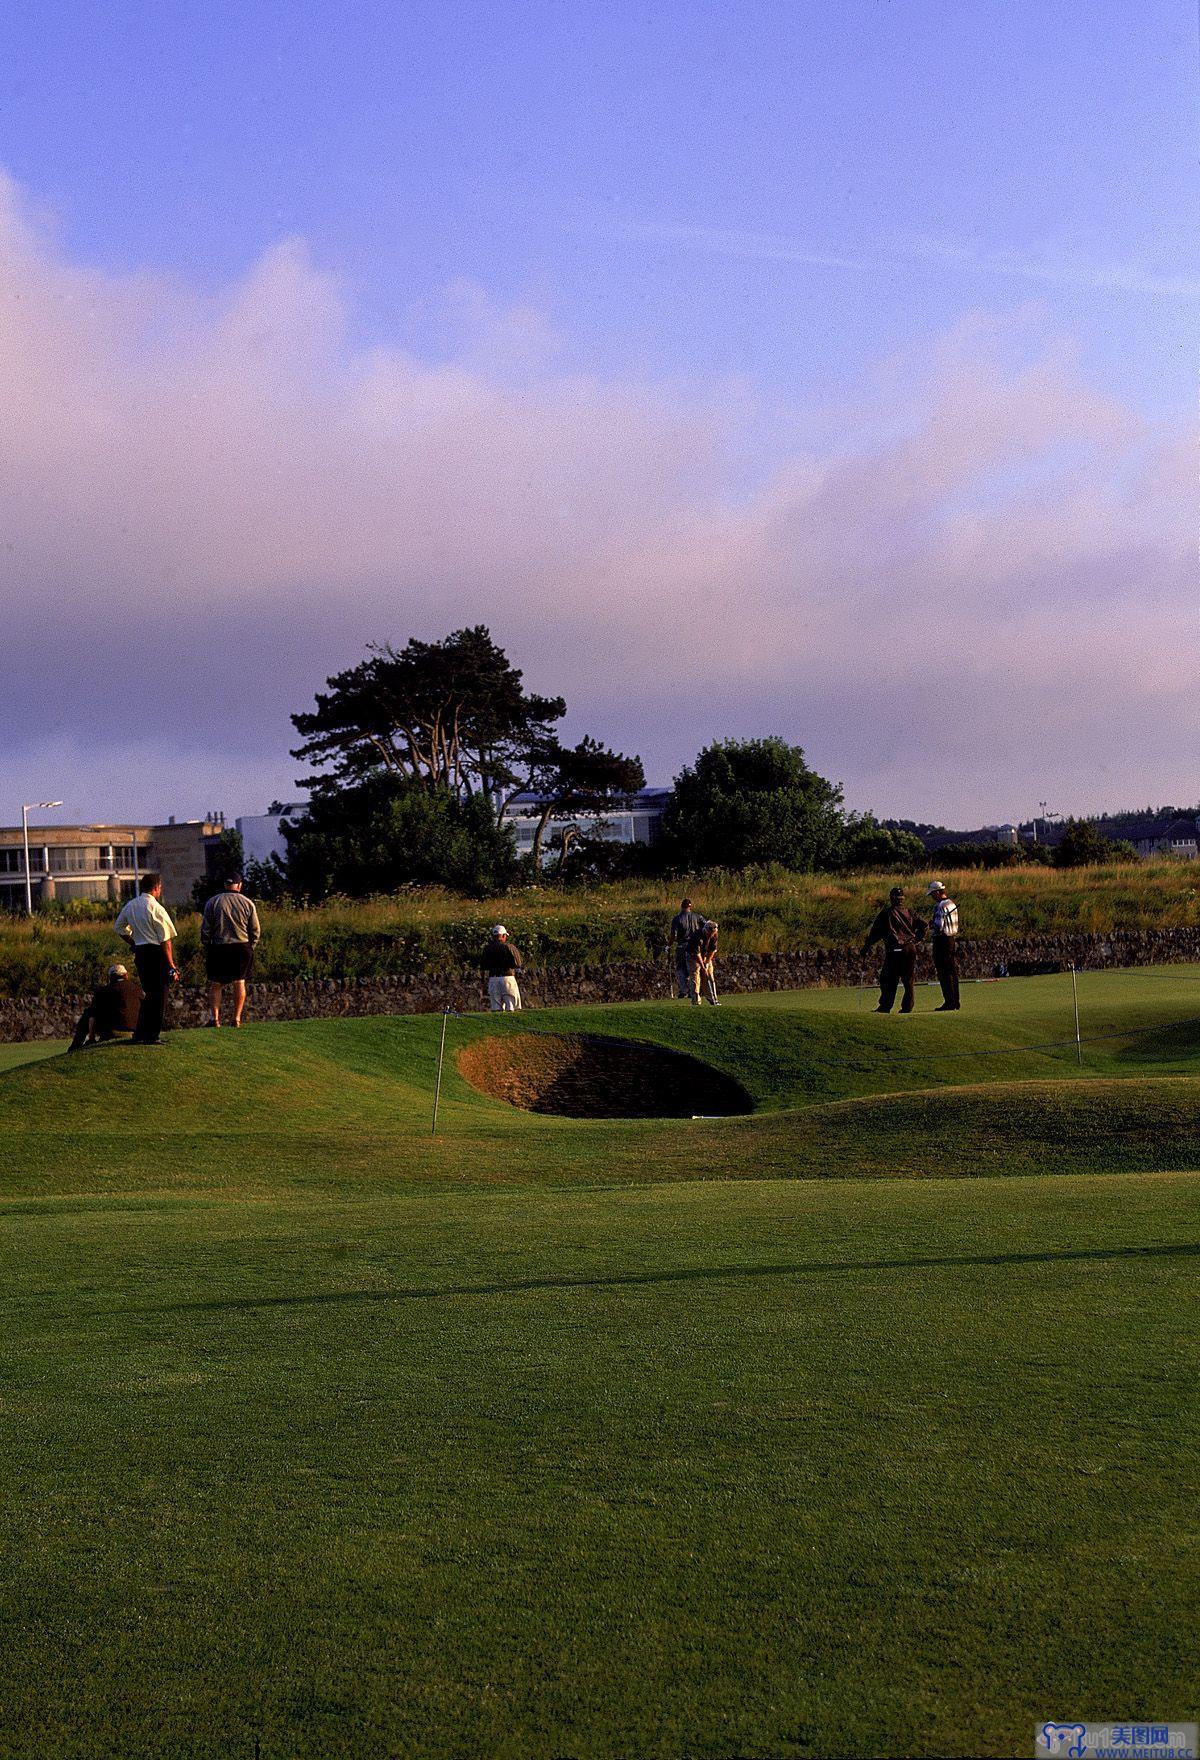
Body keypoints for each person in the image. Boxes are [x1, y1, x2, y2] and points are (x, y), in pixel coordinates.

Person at [113, 873, 180, 1045]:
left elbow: (119, 927)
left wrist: (134, 942)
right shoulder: (156, 908)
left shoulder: (131, 906)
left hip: (141, 953)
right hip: (156, 953)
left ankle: (141, 1032)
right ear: (156, 888)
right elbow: (165, 940)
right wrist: (171, 965)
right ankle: (152, 1034)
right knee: (160, 995)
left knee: (149, 994)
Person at [200, 873, 261, 1028]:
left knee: (216, 984)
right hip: (242, 946)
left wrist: (208, 947)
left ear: (225, 885)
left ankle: (216, 1019)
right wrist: (250, 947)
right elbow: (255, 930)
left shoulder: (213, 902)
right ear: (239, 885)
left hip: (219, 947)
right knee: (239, 982)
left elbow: (205, 930)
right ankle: (237, 1018)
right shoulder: (248, 903)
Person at [861, 885, 925, 1014]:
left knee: (888, 978)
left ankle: (886, 1006)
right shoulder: (910, 912)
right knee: (908, 980)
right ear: (903, 898)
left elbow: (875, 933)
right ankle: (907, 1007)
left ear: (891, 898)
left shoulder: (886, 913)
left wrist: (866, 947)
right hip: (910, 948)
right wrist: (917, 939)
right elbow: (924, 925)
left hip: (895, 949)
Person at [68, 963, 143, 1051]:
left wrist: (92, 1037)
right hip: (136, 1031)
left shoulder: (103, 991)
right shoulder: (138, 990)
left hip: (112, 1032)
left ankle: (76, 1046)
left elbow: (93, 1016)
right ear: (126, 975)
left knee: (89, 1012)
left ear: (110, 978)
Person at [927, 880, 961, 1011]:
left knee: (943, 972)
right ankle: (955, 1001)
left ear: (937, 892)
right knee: (952, 971)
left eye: (932, 894)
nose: (932, 897)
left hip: (941, 940)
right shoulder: (951, 903)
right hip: (951, 939)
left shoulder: (940, 906)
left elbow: (939, 925)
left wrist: (930, 925)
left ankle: (949, 1002)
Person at [668, 896, 706, 999]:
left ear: (681, 906)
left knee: (680, 968)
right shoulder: (698, 917)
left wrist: (669, 945)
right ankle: (693, 991)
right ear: (690, 906)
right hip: (694, 946)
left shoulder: (677, 919)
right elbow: (706, 927)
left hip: (682, 945)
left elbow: (673, 935)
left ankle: (683, 990)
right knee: (692, 969)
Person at [481, 924, 522, 1011]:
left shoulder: (487, 949)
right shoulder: (509, 947)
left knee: (496, 1008)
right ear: (503, 936)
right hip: (507, 978)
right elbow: (517, 963)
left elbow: (484, 965)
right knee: (511, 1006)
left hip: (493, 978)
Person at [687, 918, 720, 1006]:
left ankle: (714, 1000)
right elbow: (697, 954)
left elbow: (712, 950)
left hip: (705, 956)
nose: (711, 936)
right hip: (693, 956)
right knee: (695, 978)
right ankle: (696, 1002)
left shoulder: (714, 935)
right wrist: (702, 966)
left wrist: (707, 963)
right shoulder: (696, 936)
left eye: (713, 934)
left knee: (710, 977)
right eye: (710, 934)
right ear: (706, 930)